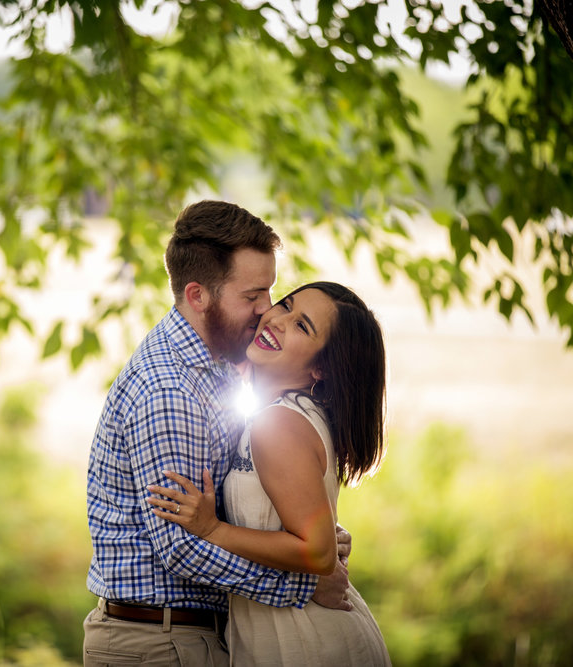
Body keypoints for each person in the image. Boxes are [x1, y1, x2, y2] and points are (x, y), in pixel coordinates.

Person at [83, 202, 354, 666]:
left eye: (270, 291)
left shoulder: (222, 367)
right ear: (198, 295)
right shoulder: (169, 390)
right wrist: (304, 583)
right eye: (252, 296)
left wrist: (305, 536)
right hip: (157, 643)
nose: (266, 310)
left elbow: (225, 500)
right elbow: (182, 549)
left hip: (187, 637)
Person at [147, 282, 392, 666]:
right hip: (291, 634)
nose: (278, 320)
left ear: (320, 367)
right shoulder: (286, 414)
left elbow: (318, 550)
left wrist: (214, 530)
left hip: (306, 643)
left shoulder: (277, 423)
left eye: (302, 326)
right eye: (286, 305)